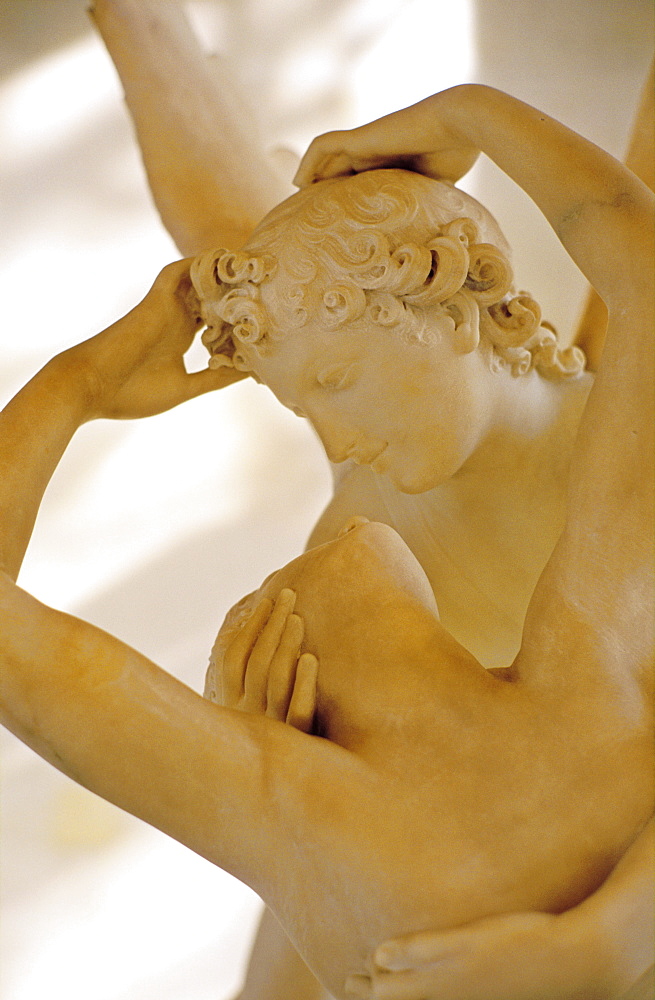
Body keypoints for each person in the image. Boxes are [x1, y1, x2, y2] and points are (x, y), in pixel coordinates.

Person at [0, 83, 652, 1000]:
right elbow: (635, 245)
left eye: (338, 379)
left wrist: (79, 382)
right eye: (308, 404)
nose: (341, 454)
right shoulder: (586, 666)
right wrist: (469, 116)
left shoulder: (286, 812)